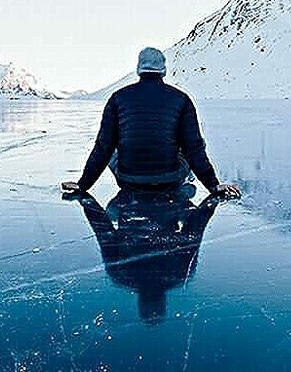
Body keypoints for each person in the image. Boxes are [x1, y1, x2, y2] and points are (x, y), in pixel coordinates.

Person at [62, 47, 241, 198]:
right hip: (170, 180)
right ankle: (187, 179)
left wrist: (83, 185)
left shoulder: (117, 98)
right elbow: (193, 149)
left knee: (111, 146)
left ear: (139, 68)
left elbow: (103, 147)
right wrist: (213, 186)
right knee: (197, 142)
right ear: (163, 69)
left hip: (128, 180)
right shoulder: (182, 99)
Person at [64, 188, 221, 323]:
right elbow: (194, 230)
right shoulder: (123, 276)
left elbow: (194, 230)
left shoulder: (176, 276)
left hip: (140, 194)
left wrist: (84, 196)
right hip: (157, 195)